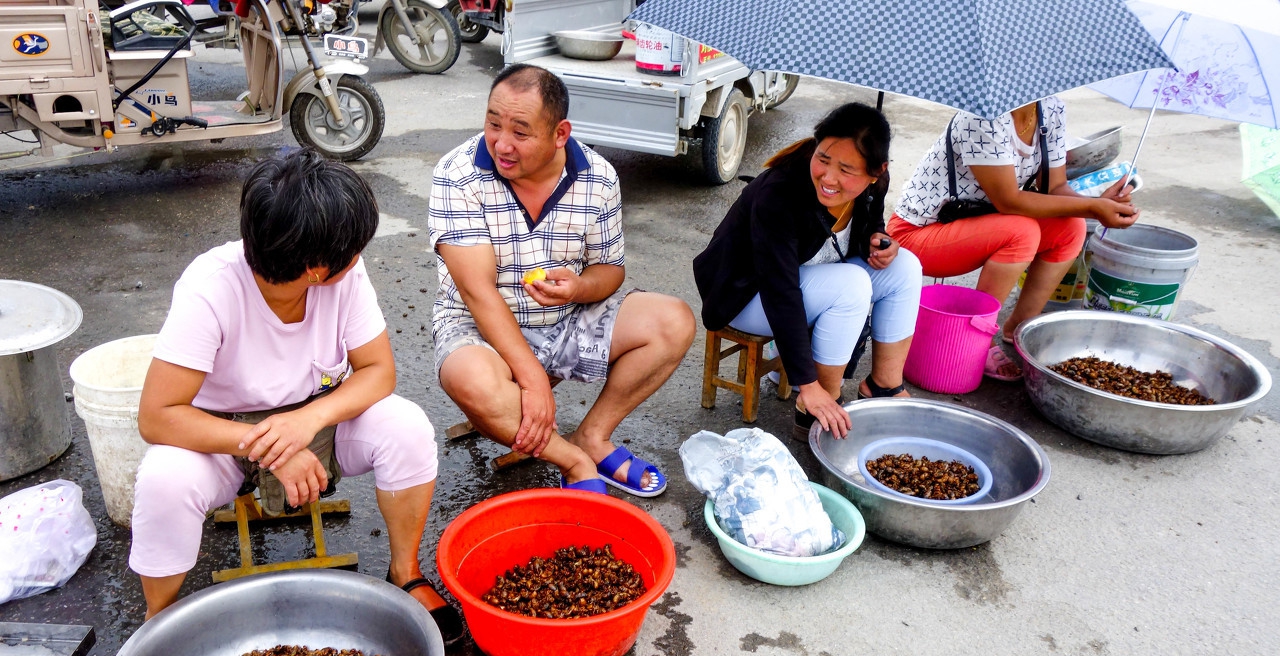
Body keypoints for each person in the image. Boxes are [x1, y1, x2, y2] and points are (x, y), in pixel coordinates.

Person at [129, 150, 460, 644]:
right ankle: (160, 623)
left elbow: (378, 372)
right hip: (228, 434)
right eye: (352, 251)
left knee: (406, 427)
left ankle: (405, 572)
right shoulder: (209, 288)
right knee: (163, 479)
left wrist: (308, 421)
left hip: (320, 417)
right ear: (316, 268)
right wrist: (268, 445)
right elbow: (158, 417)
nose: (359, 257)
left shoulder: (344, 277)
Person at [428, 64, 695, 496]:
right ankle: (572, 460)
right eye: (493, 124)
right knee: (471, 380)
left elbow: (610, 268)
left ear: (560, 133)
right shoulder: (458, 175)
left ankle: (593, 435)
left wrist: (579, 288)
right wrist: (533, 382)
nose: (501, 143)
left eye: (520, 131)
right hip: (479, 327)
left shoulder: (598, 177)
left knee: (675, 321)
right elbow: (476, 292)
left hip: (565, 320)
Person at [694, 102, 923, 441]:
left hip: (808, 279)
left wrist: (876, 238)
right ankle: (818, 402)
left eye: (846, 170)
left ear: (876, 172)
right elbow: (780, 291)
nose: (829, 178)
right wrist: (809, 383)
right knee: (852, 285)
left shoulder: (877, 182)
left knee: (906, 266)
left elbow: (869, 220)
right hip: (744, 294)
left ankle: (883, 387)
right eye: (824, 159)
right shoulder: (779, 193)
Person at [887, 96, 1140, 380]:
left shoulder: (1050, 109)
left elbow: (1055, 187)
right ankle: (977, 340)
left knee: (1071, 227)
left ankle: (1020, 331)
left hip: (979, 224)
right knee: (1022, 232)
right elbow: (1009, 200)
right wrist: (1093, 208)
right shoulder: (980, 115)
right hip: (917, 234)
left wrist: (1096, 204)